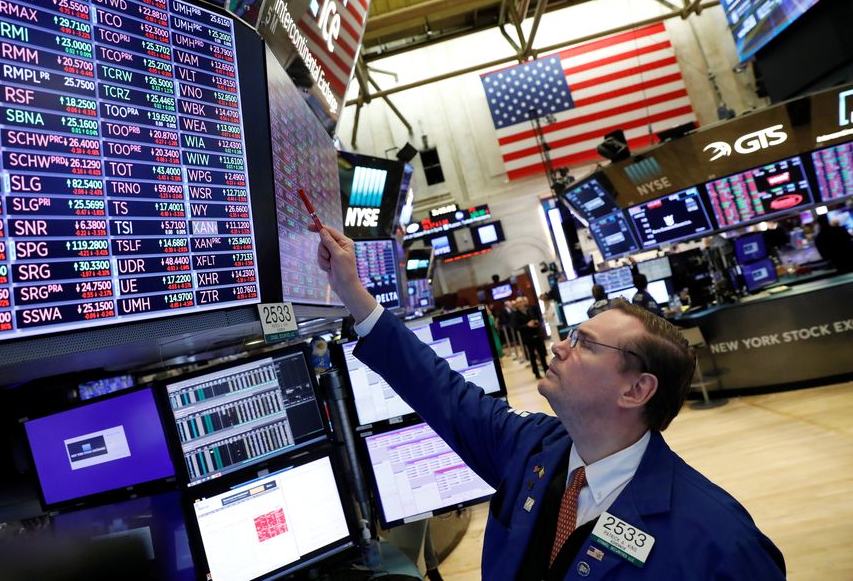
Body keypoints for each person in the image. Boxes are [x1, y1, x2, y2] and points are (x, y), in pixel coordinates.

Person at [313, 225, 785, 580]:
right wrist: (354, 293)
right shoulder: (530, 446)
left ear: (636, 390)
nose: (560, 346)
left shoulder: (718, 539)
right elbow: (441, 390)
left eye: (585, 344)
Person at [511, 296, 549, 379]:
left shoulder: (531, 309)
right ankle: (536, 373)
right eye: (518, 303)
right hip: (527, 337)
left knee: (542, 353)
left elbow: (539, 318)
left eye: (521, 302)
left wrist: (536, 322)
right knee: (532, 355)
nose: (520, 304)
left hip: (537, 334)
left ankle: (546, 369)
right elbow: (516, 327)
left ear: (524, 302)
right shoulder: (515, 314)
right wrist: (527, 325)